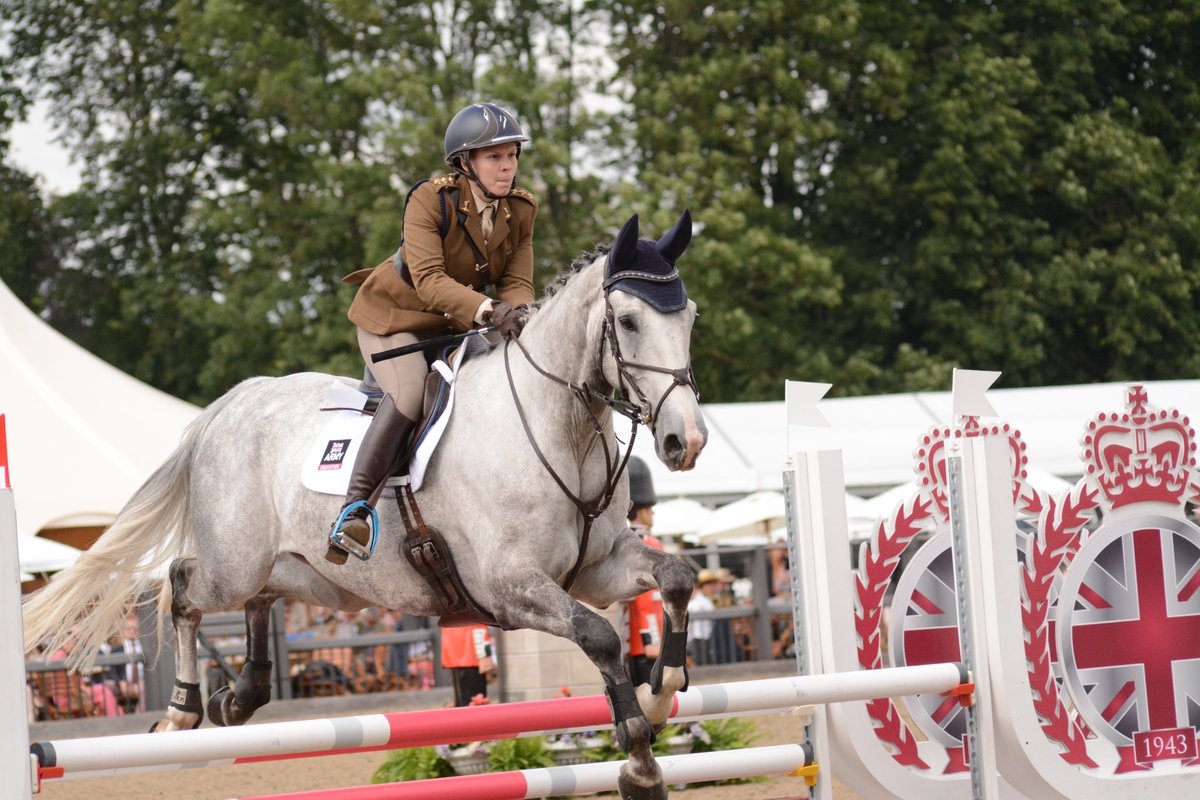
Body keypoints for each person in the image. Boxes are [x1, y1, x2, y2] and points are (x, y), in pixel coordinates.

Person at [327, 102, 538, 564]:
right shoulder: (430, 200)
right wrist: (490, 309)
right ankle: (354, 511)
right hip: (395, 320)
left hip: (457, 325)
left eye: (512, 156)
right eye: (494, 158)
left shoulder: (520, 211)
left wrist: (522, 316)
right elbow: (430, 281)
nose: (507, 168)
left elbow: (518, 283)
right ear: (466, 163)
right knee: (409, 398)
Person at [621, 456, 666, 686]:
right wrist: (653, 639)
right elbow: (645, 599)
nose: (653, 514)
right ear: (642, 511)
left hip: (634, 636)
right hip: (646, 636)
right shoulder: (648, 543)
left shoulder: (628, 542)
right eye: (650, 509)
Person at [440, 624, 495, 706]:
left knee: (463, 704)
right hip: (472, 654)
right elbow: (478, 621)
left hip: (454, 653)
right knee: (474, 705)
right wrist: (484, 655)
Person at [686, 569, 718, 666]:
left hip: (703, 637)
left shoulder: (703, 600)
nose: (712, 586)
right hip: (699, 638)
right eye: (708, 583)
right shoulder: (701, 600)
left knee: (703, 662)